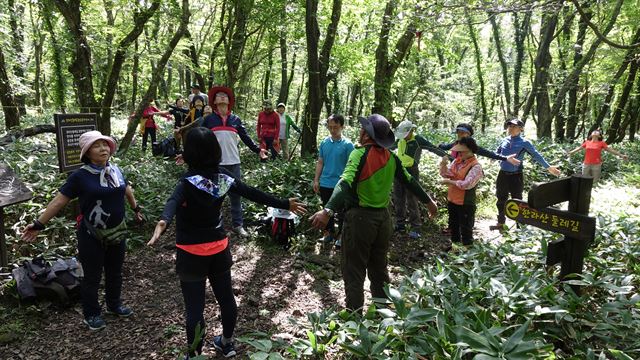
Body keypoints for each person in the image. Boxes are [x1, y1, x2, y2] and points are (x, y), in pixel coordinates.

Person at [147, 127, 306, 358]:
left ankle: (194, 355)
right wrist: (284, 203)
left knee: (194, 308)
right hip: (219, 248)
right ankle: (227, 342)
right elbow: (253, 193)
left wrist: (163, 222)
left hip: (191, 253)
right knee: (226, 297)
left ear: (189, 154)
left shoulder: (186, 182)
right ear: (216, 150)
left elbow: (172, 203)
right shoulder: (224, 179)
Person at [310, 114, 437, 313]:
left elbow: (345, 182)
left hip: (360, 220)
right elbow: (409, 181)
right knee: (379, 268)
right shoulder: (391, 157)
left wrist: (328, 210)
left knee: (354, 269)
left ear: (367, 135)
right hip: (383, 220)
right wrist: (428, 202)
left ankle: (354, 316)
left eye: (363, 129)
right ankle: (382, 312)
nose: (360, 131)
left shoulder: (359, 154)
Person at [21, 131, 143, 331]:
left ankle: (114, 305)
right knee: (92, 276)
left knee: (115, 272)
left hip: (117, 231)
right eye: (97, 146)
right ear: (87, 152)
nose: (103, 149)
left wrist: (136, 209)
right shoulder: (80, 176)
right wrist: (38, 224)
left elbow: (126, 189)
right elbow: (59, 201)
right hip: (91, 234)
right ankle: (92, 314)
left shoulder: (115, 170)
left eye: (105, 145)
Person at [201, 86, 267, 237]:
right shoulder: (209, 120)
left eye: (225, 95)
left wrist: (258, 150)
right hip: (217, 164)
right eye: (219, 96)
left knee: (236, 194)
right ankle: (216, 226)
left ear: (229, 101)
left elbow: (245, 138)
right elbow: (199, 138)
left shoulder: (235, 119)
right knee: (217, 196)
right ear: (214, 101)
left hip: (234, 163)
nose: (223, 97)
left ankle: (238, 225)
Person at [491, 119, 561, 231]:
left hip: (516, 175)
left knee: (517, 200)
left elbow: (536, 155)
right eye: (509, 126)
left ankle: (520, 227)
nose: (511, 128)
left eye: (514, 126)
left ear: (521, 129)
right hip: (502, 174)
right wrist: (494, 158)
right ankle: (500, 223)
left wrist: (548, 167)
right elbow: (498, 151)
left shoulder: (525, 143)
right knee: (500, 199)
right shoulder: (504, 140)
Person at [392, 120, 449, 239]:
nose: (404, 136)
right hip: (398, 170)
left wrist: (448, 157)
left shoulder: (418, 140)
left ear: (411, 131)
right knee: (398, 198)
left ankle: (415, 227)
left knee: (412, 199)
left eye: (406, 133)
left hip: (412, 171)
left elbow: (432, 148)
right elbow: (389, 146)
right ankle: (400, 224)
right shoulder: (400, 139)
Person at [313, 114, 354, 248]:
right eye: (330, 127)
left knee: (342, 212)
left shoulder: (348, 145)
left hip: (341, 185)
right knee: (326, 210)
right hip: (325, 183)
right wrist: (316, 180)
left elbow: (352, 166)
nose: (332, 130)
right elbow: (320, 162)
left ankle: (341, 235)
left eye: (335, 127)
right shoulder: (325, 142)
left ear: (342, 127)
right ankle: (328, 233)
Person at [439, 137, 483, 248]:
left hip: (465, 203)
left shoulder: (476, 167)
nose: (460, 153)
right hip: (453, 199)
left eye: (463, 151)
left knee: (466, 229)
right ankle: (455, 248)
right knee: (454, 226)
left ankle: (468, 253)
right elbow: (446, 174)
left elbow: (467, 184)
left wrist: (450, 182)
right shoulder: (457, 161)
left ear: (471, 150)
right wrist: (443, 164)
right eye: (459, 151)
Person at [438, 123, 521, 165]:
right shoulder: (455, 144)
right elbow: (445, 147)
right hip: (454, 173)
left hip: (466, 175)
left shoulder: (471, 146)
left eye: (463, 132)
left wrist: (505, 158)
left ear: (469, 134)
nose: (460, 134)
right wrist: (438, 146)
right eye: (459, 132)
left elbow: (488, 153)